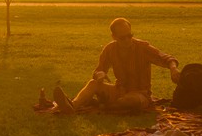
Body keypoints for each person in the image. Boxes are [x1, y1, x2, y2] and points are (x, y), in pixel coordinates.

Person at [53, 18, 181, 114]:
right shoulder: (110, 49)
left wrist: (173, 70)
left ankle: (103, 105)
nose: (127, 40)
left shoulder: (142, 47)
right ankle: (72, 107)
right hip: (118, 90)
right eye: (122, 38)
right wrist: (100, 75)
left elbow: (166, 58)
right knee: (93, 83)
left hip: (140, 94)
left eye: (129, 36)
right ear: (114, 37)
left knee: (132, 101)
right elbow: (99, 71)